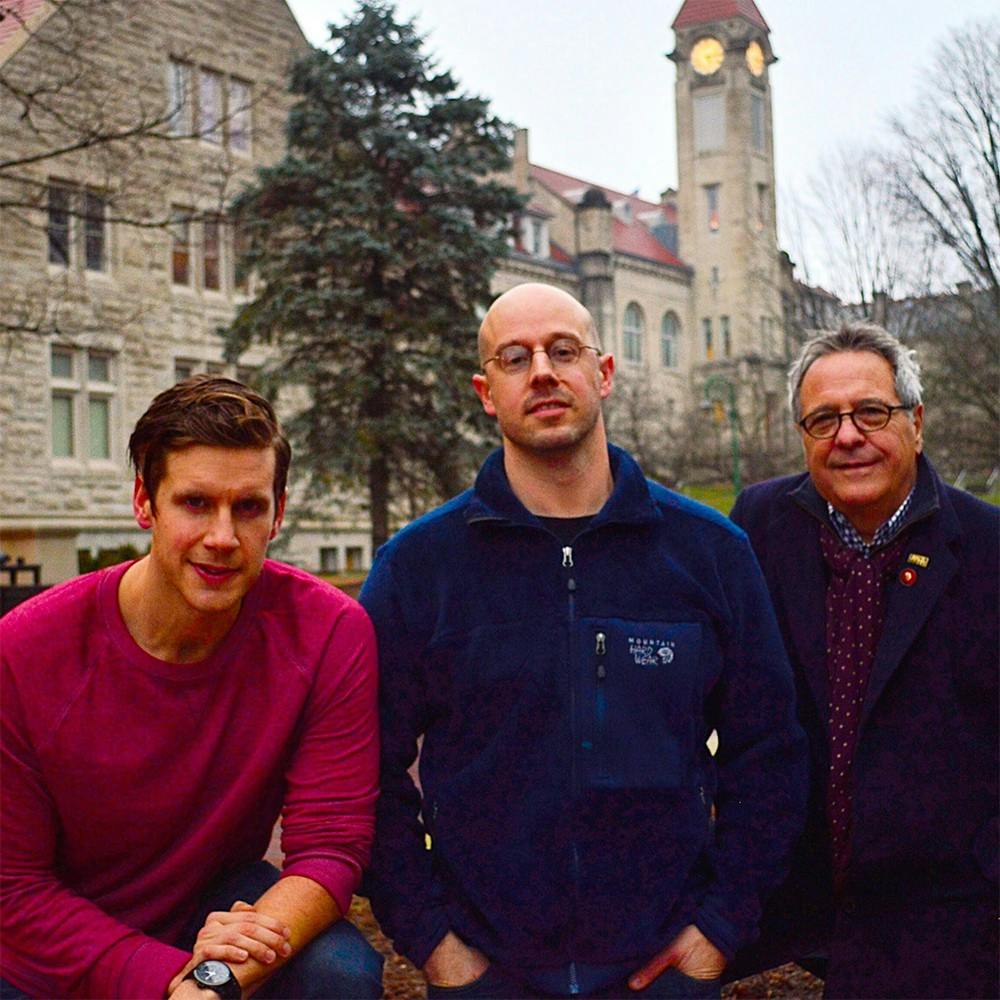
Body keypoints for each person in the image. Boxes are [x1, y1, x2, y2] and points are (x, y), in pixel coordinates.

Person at [360, 282, 806, 999]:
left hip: (663, 967)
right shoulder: (419, 567)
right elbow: (367, 770)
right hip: (485, 972)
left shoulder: (709, 553)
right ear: (486, 390)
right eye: (515, 357)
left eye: (562, 351)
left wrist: (721, 926)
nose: (542, 371)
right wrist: (431, 939)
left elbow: (770, 755)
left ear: (602, 373)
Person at [0, 376, 383, 1000]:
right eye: (196, 503)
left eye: (249, 507)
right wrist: (167, 981)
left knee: (338, 974)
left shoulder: (327, 632)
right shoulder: (23, 651)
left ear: (278, 513)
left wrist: (220, 978)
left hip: (213, 906)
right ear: (145, 503)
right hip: (54, 929)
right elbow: (13, 887)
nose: (223, 538)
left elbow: (331, 847)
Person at [728, 324, 999, 999]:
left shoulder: (989, 550)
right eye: (824, 419)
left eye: (871, 412)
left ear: (916, 423)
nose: (848, 435)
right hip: (798, 899)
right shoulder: (759, 528)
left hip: (949, 918)